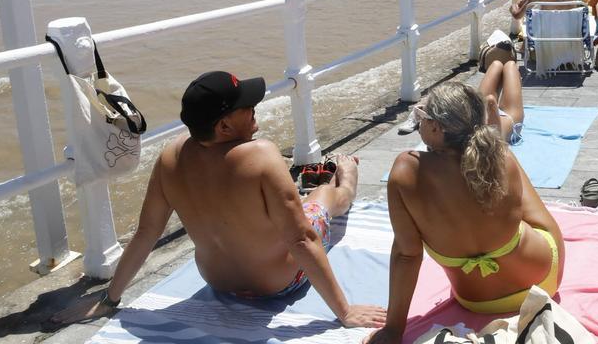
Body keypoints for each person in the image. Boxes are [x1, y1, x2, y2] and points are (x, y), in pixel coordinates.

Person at [52, 72, 386, 327]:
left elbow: (146, 233)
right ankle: (346, 174)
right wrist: (344, 311)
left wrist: (109, 299)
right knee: (322, 199)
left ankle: (323, 182)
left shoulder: (169, 158)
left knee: (289, 209)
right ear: (224, 126)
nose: (254, 108)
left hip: (219, 283)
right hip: (279, 284)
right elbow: (302, 240)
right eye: (247, 107)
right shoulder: (261, 155)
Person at [368, 83, 564, 342]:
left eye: (421, 115)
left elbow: (407, 255)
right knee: (504, 158)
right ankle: (494, 125)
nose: (418, 120)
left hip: (477, 301)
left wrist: (393, 330)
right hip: (543, 281)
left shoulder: (406, 171)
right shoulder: (501, 157)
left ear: (435, 127)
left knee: (499, 162)